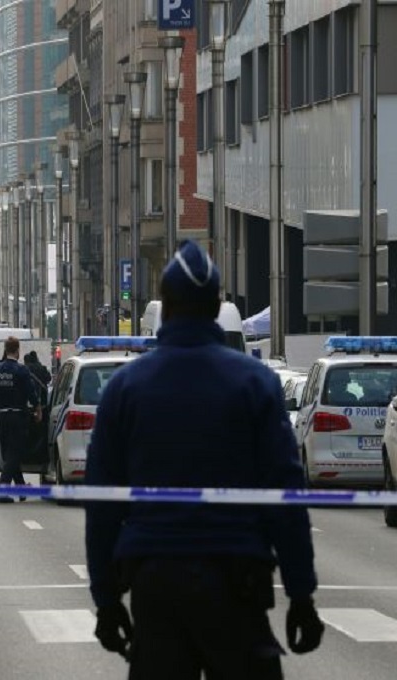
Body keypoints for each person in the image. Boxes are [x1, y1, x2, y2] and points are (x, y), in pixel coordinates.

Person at [85, 240, 323, 678]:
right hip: (236, 581)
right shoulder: (255, 383)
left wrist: (106, 600)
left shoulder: (125, 388)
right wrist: (301, 594)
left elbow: (102, 504)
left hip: (155, 582)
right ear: (215, 307)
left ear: (165, 307)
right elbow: (285, 496)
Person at [0, 336, 40, 503]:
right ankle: (2, 491)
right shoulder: (22, 370)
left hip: (2, 416)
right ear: (17, 350)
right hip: (18, 416)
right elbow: (31, 393)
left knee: (10, 454)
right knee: (15, 454)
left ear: (5, 349)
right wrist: (38, 409)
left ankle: (21, 489)